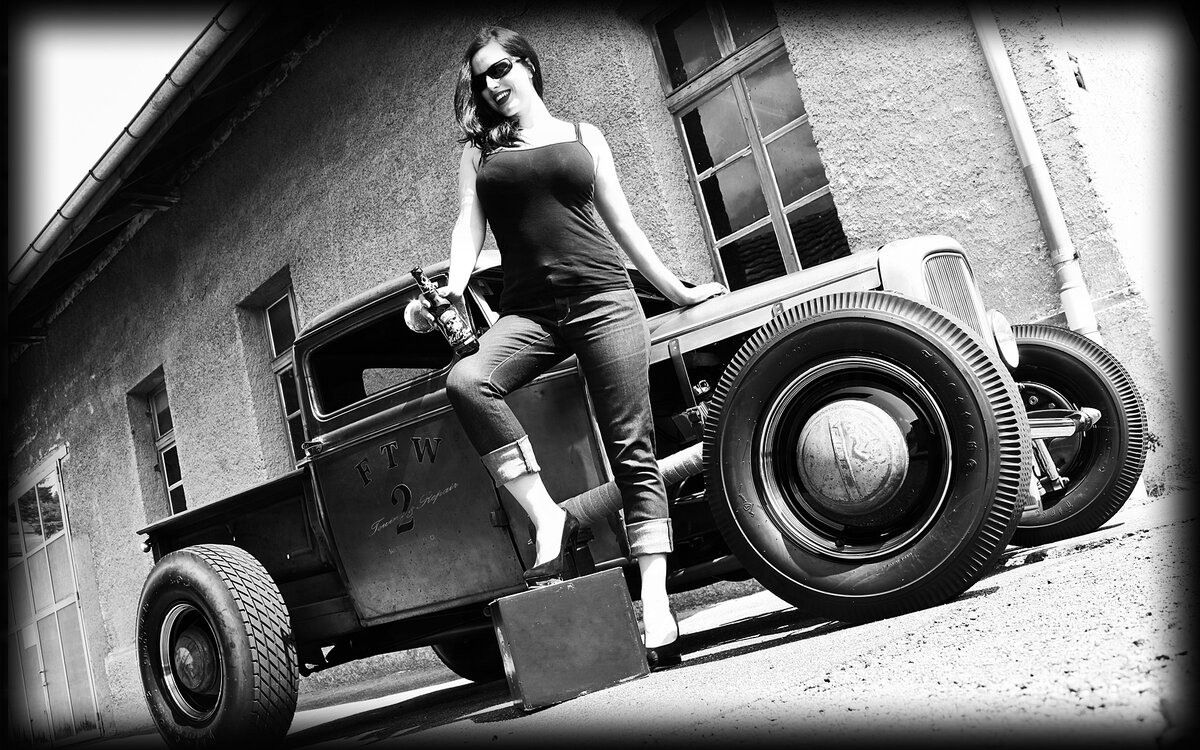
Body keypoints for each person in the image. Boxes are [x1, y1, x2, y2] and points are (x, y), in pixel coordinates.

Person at [436, 25, 725, 669]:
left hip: (604, 299)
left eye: (501, 68)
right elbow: (467, 228)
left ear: (528, 65)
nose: (493, 84)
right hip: (529, 314)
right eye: (481, 79)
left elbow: (623, 225)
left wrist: (677, 292)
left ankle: (656, 601)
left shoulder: (583, 136)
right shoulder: (480, 152)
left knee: (631, 446)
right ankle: (548, 517)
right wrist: (451, 288)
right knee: (468, 382)